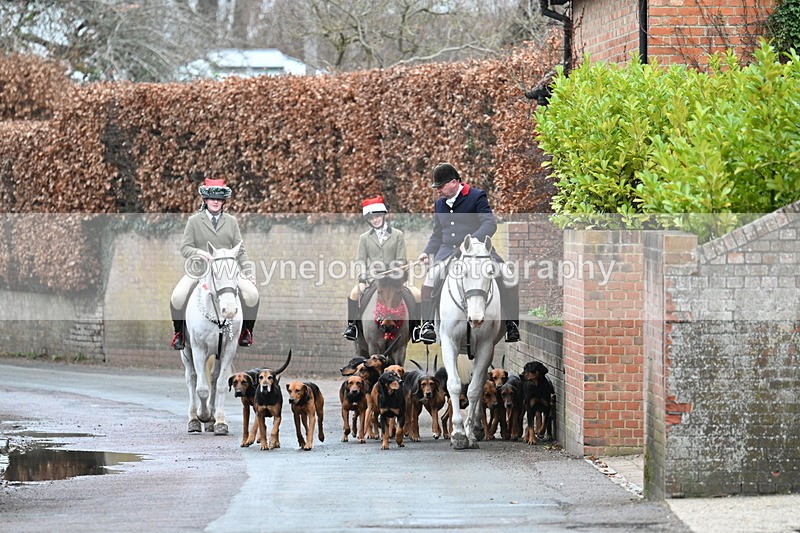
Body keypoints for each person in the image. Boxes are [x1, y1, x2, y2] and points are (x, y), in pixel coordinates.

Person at [414, 162, 520, 344]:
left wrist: (472, 240)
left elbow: (489, 224)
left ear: (454, 182)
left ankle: (511, 323)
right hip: (448, 251)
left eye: (440, 186)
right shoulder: (439, 203)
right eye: (437, 187)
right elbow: (437, 233)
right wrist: (427, 252)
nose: (438, 190)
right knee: (431, 277)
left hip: (477, 250)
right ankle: (428, 325)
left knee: (507, 274)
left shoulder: (476, 196)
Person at [169, 178, 260, 350]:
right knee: (177, 296)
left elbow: (240, 250)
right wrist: (199, 252)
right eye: (212, 199)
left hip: (228, 271)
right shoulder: (194, 221)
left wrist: (248, 271)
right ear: (205, 200)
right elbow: (184, 248)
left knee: (253, 294)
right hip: (200, 270)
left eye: (219, 199)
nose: (215, 202)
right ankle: (179, 333)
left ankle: (246, 331)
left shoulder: (231, 221)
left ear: (223, 201)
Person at [343, 195, 417, 341]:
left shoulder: (397, 235)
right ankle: (352, 327)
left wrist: (394, 269)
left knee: (417, 294)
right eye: (371, 219)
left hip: (395, 278)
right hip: (373, 279)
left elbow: (402, 259)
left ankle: (416, 328)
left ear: (383, 216)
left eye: (376, 217)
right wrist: (363, 276)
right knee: (354, 294)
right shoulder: (364, 238)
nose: (374, 220)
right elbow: (360, 261)